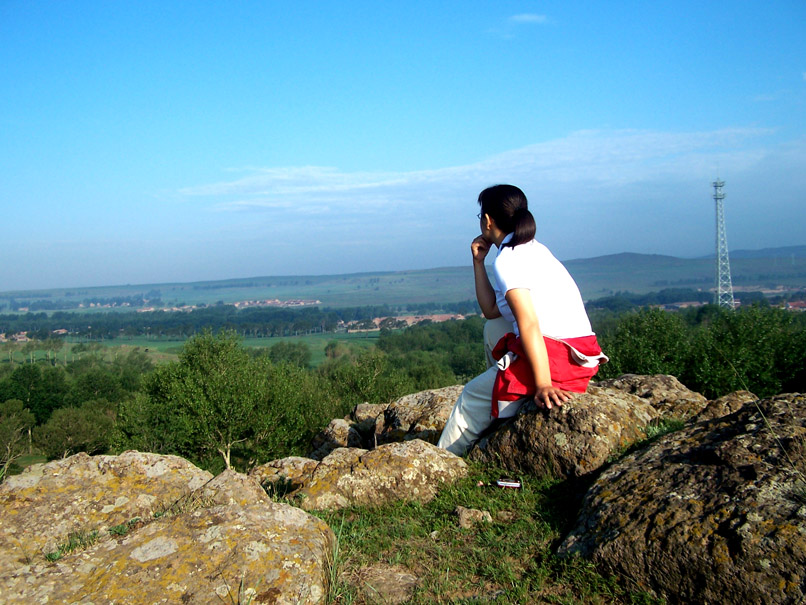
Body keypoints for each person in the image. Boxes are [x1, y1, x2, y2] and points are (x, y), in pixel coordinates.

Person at [437, 184, 606, 456]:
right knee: (494, 328)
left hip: (558, 359)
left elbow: (528, 323)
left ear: (488, 220)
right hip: (580, 352)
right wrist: (478, 262)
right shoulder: (534, 249)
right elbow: (492, 311)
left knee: (469, 396)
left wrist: (542, 385)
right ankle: (503, 406)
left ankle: (443, 463)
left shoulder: (509, 260)